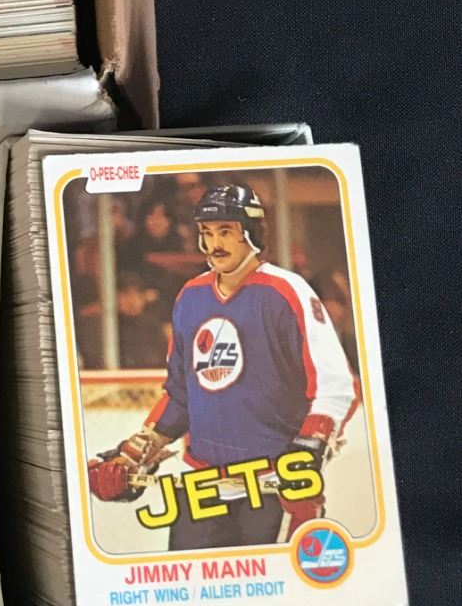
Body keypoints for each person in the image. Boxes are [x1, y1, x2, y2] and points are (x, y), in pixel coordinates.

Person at [88, 183, 356, 550]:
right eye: (208, 232)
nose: (215, 243)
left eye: (226, 232)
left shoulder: (287, 291)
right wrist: (135, 452)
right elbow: (181, 395)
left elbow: (335, 386)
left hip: (272, 485)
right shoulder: (191, 296)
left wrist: (310, 447)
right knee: (189, 584)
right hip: (201, 486)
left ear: (252, 233)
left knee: (269, 585)